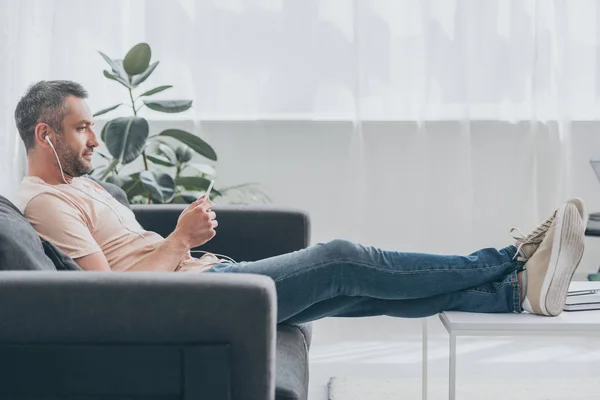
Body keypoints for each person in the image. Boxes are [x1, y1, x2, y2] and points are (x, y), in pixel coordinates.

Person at [14, 80, 586, 324]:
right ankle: (508, 260)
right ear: (46, 135)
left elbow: (127, 258)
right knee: (340, 258)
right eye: (81, 128)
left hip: (212, 277)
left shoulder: (76, 184)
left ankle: (513, 294)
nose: (94, 139)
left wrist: (183, 245)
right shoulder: (44, 204)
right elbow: (107, 298)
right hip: (199, 298)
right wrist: (181, 239)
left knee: (358, 292)